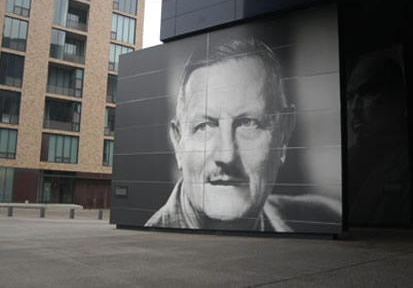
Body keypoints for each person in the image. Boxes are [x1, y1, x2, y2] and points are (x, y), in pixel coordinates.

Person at [146, 38, 341, 232]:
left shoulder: (327, 217)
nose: (227, 155)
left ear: (283, 136)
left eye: (248, 124)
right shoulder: (149, 256)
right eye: (205, 126)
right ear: (178, 143)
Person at [347, 49, 410, 225]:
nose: (354, 107)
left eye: (368, 92)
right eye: (350, 96)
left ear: (398, 98)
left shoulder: (404, 163)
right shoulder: (350, 160)